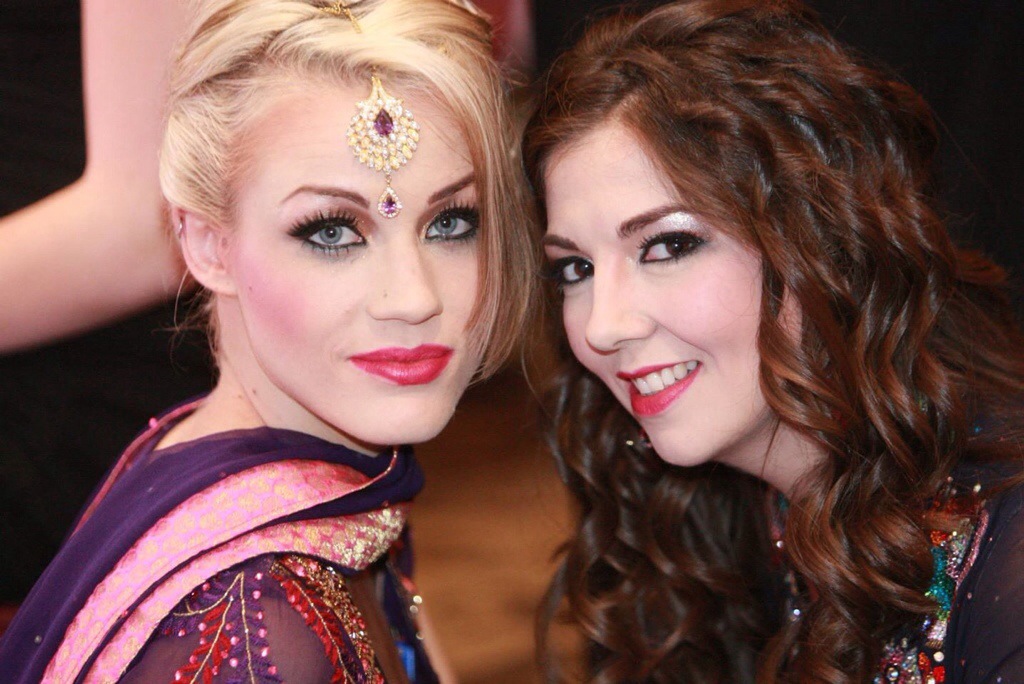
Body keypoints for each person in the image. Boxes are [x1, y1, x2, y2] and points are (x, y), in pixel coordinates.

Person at [0, 0, 534, 680]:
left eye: (451, 223)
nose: (414, 297)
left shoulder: (314, 484)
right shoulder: (259, 626)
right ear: (207, 244)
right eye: (331, 232)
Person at [524, 1, 1024, 682]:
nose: (602, 326)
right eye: (575, 269)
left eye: (668, 246)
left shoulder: (1004, 568)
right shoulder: (741, 517)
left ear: (822, 240)